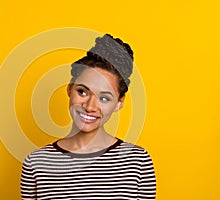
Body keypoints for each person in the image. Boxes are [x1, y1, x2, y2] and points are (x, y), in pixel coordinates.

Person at [20, 34, 156, 199]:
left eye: (104, 98)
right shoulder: (36, 163)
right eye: (82, 92)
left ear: (119, 102)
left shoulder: (138, 161)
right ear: (70, 90)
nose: (90, 107)